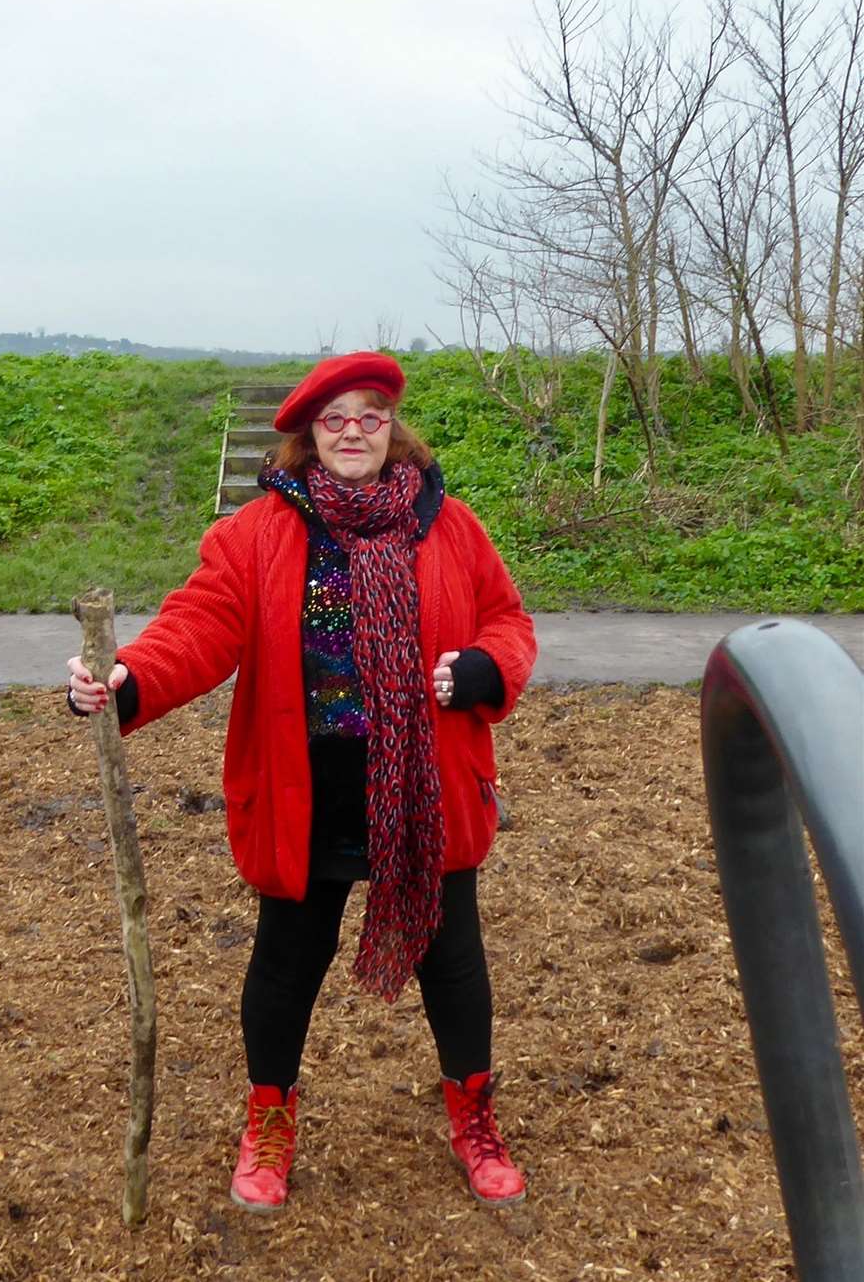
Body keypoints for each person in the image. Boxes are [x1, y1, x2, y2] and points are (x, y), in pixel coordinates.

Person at [67, 351, 537, 1213]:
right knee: (287, 964)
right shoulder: (258, 535)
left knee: (454, 963)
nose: (353, 430)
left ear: (393, 428)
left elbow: (507, 621)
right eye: (335, 418)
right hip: (304, 790)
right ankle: (269, 1122)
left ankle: (474, 1119)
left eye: (370, 414)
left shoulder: (451, 526)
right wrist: (128, 678)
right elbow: (198, 627)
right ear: (308, 436)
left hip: (424, 788)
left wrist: (483, 670)